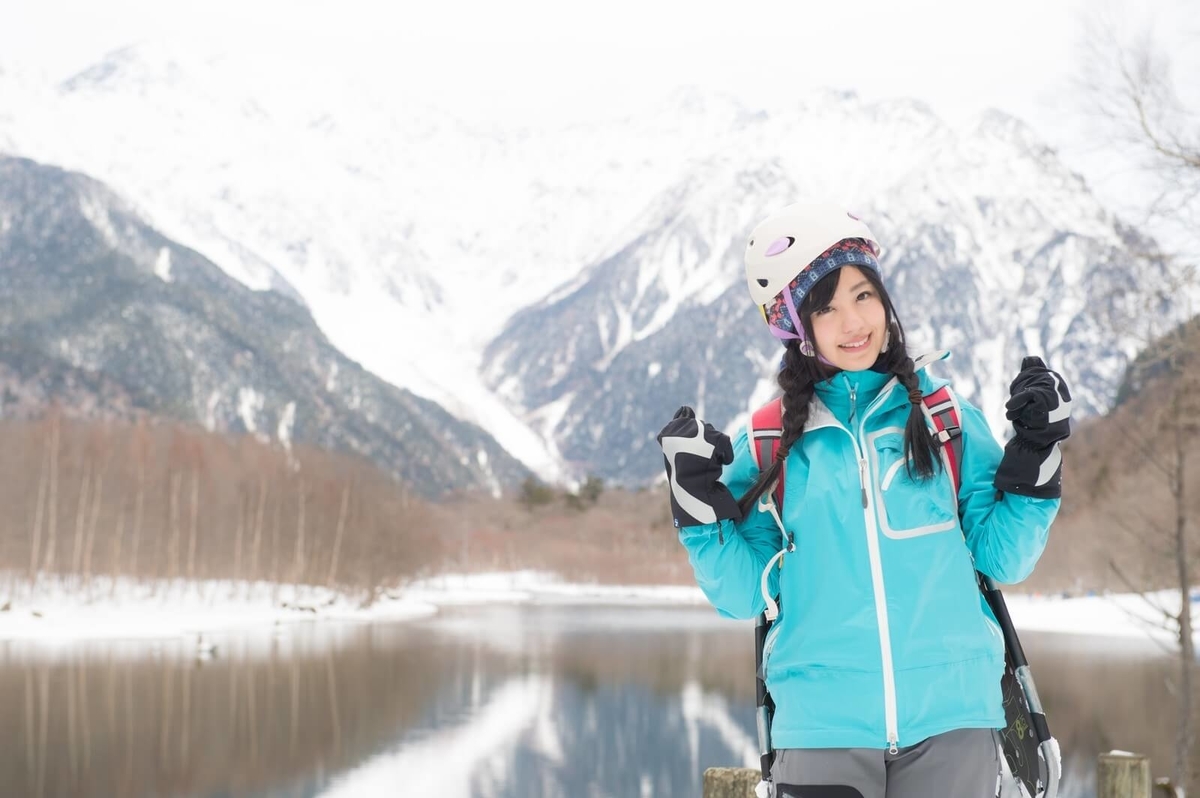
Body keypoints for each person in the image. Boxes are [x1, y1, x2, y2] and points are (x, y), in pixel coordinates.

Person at [656, 202, 1072, 798]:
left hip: (953, 719)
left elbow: (1004, 558)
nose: (853, 322)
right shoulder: (772, 440)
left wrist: (1038, 454)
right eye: (824, 308)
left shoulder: (945, 418)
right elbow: (743, 590)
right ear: (796, 329)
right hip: (821, 729)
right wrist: (696, 507)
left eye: (862, 295)